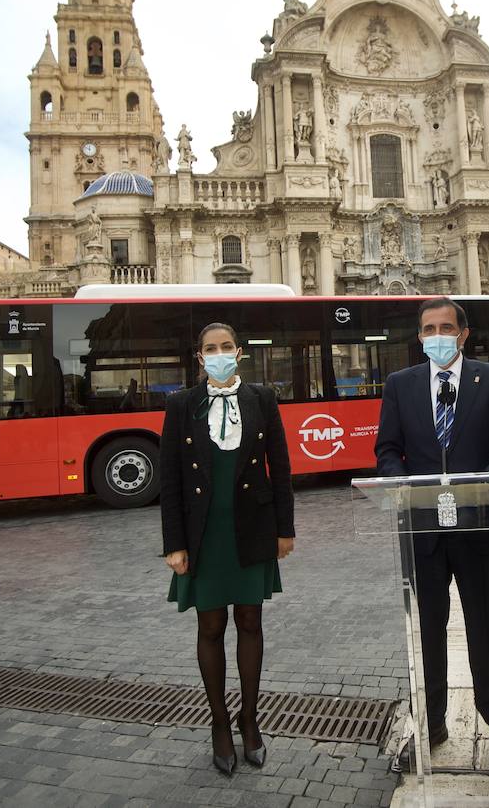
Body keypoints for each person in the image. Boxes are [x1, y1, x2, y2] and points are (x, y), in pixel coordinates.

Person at [374, 298, 489, 762]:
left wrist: (479, 484)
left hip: (478, 528)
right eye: (427, 329)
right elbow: (387, 448)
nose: (436, 335)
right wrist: (398, 479)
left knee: (486, 628)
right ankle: (431, 726)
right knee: (429, 632)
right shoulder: (401, 384)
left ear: (463, 333)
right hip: (423, 532)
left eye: (445, 327)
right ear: (419, 337)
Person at [160, 323, 295, 777]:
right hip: (203, 534)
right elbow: (172, 480)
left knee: (251, 620)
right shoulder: (181, 405)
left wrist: (285, 529)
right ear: (200, 358)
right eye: (209, 349)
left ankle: (250, 719)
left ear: (239, 353)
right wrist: (174, 544)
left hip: (252, 527)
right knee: (211, 624)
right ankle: (220, 723)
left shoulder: (262, 399)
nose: (218, 354)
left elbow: (281, 465)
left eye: (226, 347)